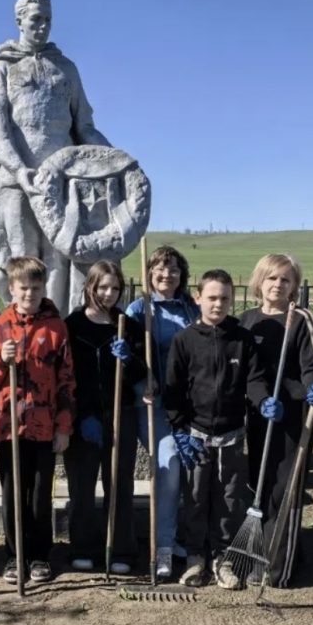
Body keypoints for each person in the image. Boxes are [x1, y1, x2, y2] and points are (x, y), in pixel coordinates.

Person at [0, 0, 111, 313]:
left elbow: (85, 126)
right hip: (15, 179)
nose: (43, 26)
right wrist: (20, 170)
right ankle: (22, 332)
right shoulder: (3, 66)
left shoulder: (66, 68)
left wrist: (113, 159)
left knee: (59, 259)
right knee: (23, 259)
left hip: (62, 181)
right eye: (36, 19)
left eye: (48, 20)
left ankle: (56, 330)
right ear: (19, 21)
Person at [164, 270, 275, 589]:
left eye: (225, 298)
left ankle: (223, 558)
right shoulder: (185, 340)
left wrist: (263, 399)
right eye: (212, 297)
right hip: (196, 434)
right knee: (196, 498)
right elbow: (172, 390)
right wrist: (180, 429)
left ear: (232, 299)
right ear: (197, 298)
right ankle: (196, 558)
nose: (218, 303)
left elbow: (253, 380)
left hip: (231, 434)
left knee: (229, 499)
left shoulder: (241, 339)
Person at [0, 255, 76, 585]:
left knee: (38, 495)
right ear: (11, 288)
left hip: (44, 425)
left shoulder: (55, 327)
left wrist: (64, 426)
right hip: (9, 426)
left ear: (43, 288)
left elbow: (66, 381)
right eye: (23, 288)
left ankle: (38, 555)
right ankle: (14, 555)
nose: (29, 294)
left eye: (35, 288)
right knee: (12, 494)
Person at [239, 254, 313, 588]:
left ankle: (277, 569)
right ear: (259, 281)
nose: (278, 285)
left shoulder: (302, 319)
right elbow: (247, 372)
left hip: (295, 420)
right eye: (271, 278)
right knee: (260, 487)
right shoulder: (246, 321)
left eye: (286, 279)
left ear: (295, 285)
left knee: (286, 489)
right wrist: (261, 399)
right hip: (260, 416)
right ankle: (274, 549)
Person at [63, 260, 146, 574]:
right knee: (81, 486)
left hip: (119, 414)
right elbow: (66, 375)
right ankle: (82, 546)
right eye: (103, 287)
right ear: (90, 287)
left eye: (115, 288)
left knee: (120, 484)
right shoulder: (72, 326)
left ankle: (122, 549)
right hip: (83, 419)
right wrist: (82, 414)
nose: (109, 294)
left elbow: (143, 373)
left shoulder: (127, 326)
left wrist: (129, 360)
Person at [125, 246, 200, 578]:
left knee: (192, 471)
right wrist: (144, 377)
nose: (166, 274)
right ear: (149, 273)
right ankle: (163, 548)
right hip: (153, 404)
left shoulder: (190, 309)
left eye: (173, 269)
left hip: (189, 404)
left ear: (182, 275)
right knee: (168, 466)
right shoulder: (139, 309)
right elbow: (130, 356)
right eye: (159, 268)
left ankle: (186, 538)